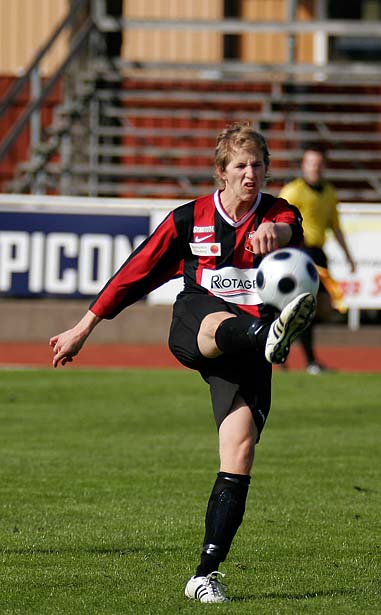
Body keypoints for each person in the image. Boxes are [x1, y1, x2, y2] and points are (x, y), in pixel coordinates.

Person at [50, 123, 317, 603]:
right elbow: (134, 274)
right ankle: (268, 335)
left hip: (250, 352)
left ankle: (204, 574)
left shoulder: (278, 213)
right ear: (221, 173)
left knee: (239, 454)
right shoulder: (188, 219)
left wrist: (279, 231)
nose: (250, 173)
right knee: (213, 320)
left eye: (258, 165)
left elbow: (293, 228)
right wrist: (82, 328)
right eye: (240, 166)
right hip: (201, 325)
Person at [279, 144, 357, 374]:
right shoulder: (292, 191)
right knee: (306, 306)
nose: (315, 168)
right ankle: (310, 361)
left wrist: (348, 256)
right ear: (303, 165)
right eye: (310, 163)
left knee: (323, 308)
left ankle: (284, 336)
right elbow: (277, 224)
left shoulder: (330, 193)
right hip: (299, 253)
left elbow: (335, 226)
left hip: (319, 254)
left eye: (319, 163)